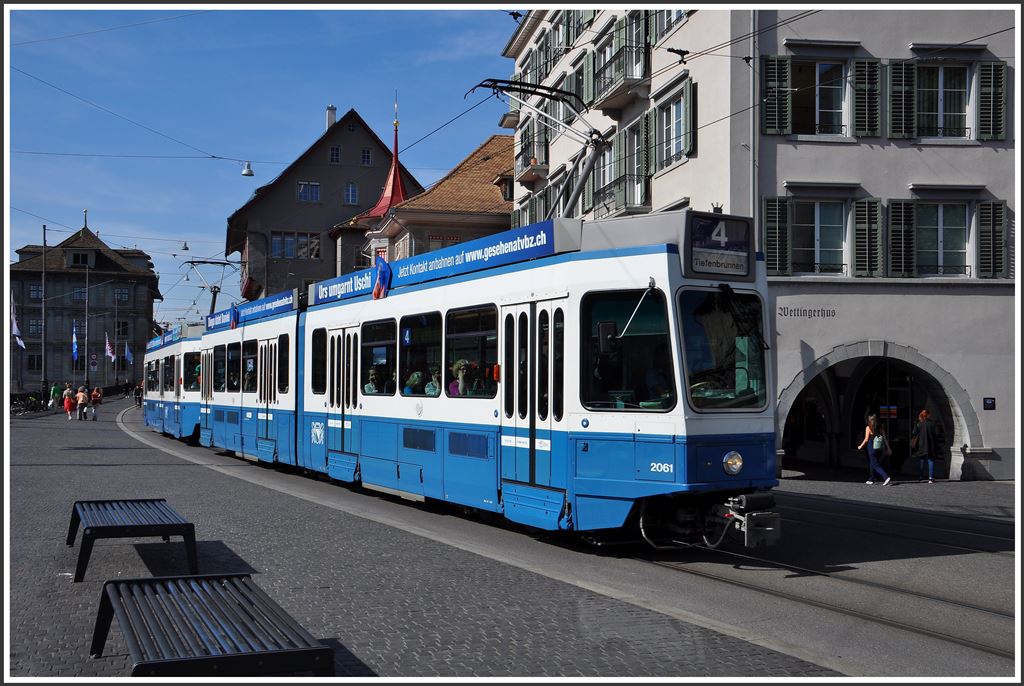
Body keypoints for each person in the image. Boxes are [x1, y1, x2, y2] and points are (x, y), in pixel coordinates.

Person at [857, 413, 891, 485]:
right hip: (878, 447)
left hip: (871, 446)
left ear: (869, 420)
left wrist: (860, 446)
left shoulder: (868, 427)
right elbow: (884, 438)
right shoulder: (880, 427)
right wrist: (888, 448)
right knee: (872, 462)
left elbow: (866, 439)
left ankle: (886, 477)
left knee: (875, 464)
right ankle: (871, 478)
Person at [911, 409, 941, 483]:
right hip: (930, 444)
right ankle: (930, 478)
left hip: (921, 445)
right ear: (928, 415)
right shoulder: (932, 423)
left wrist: (915, 424)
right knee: (930, 460)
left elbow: (914, 432)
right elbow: (937, 433)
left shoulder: (919, 423)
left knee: (921, 460)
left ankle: (920, 476)